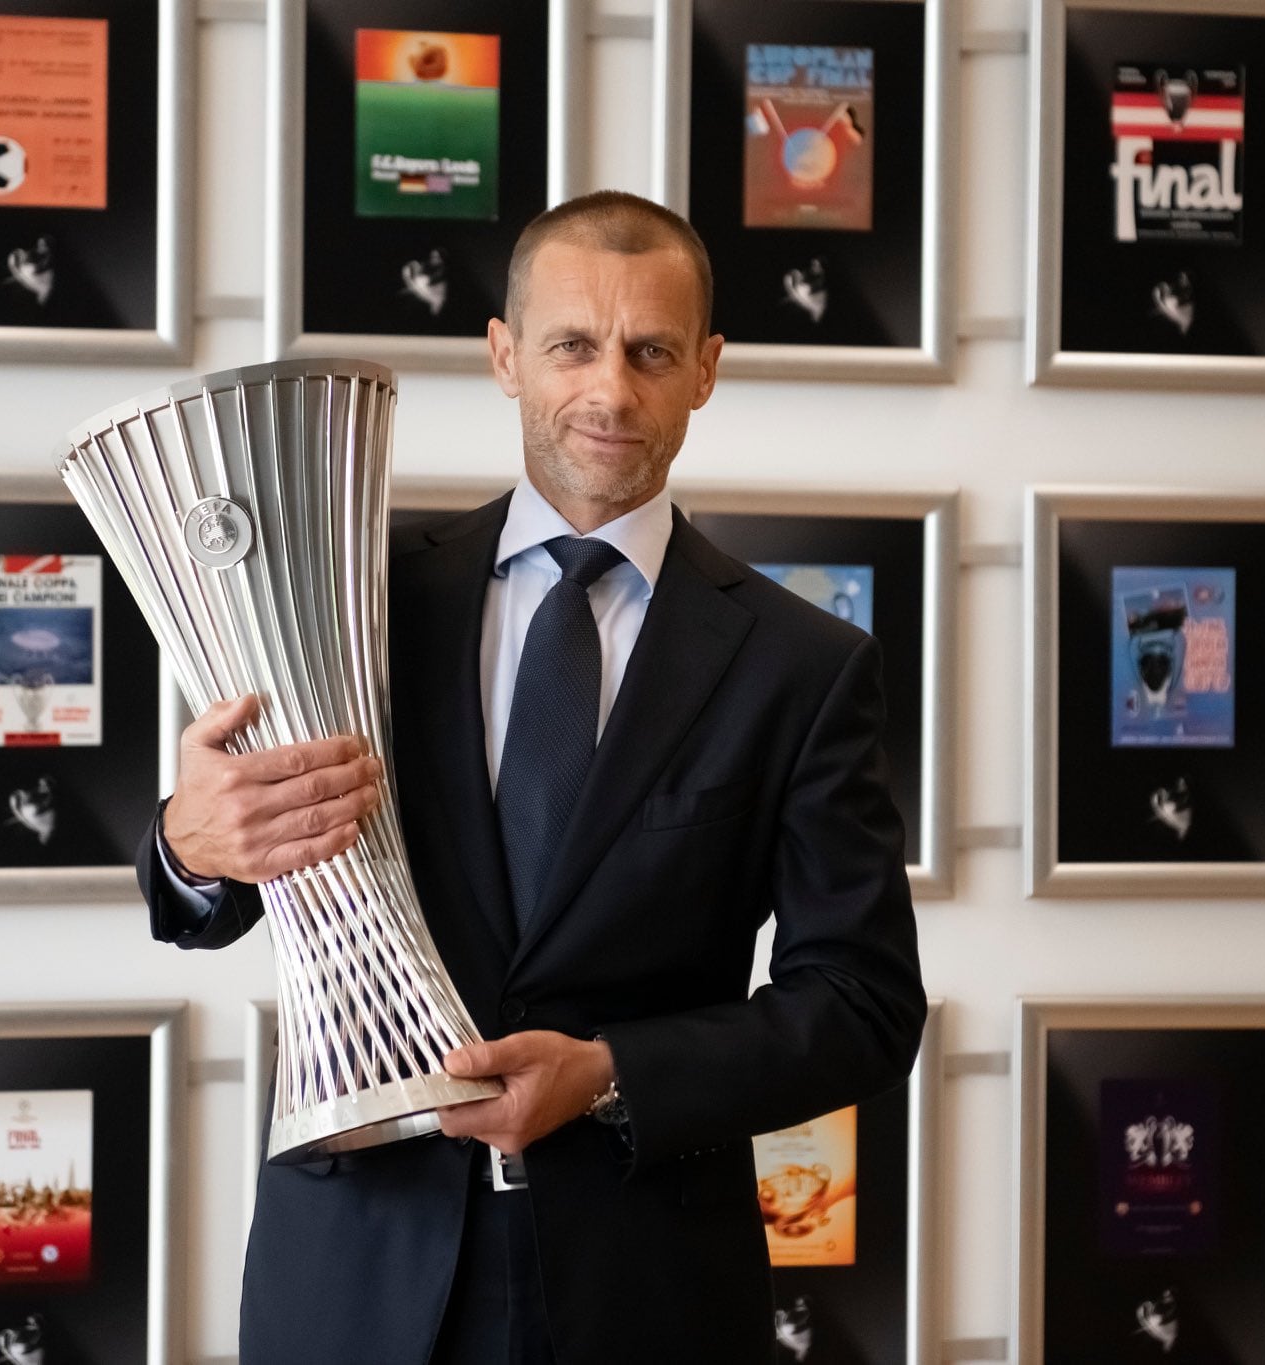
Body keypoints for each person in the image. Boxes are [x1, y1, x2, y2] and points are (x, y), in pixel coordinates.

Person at [139, 190, 924, 1364]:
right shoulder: (357, 602)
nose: (609, 390)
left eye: (650, 351)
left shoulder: (802, 668)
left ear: (704, 370)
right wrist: (191, 845)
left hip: (645, 1293)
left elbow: (862, 1007)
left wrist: (609, 1076)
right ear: (503, 356)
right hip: (352, 1276)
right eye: (570, 344)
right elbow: (203, 904)